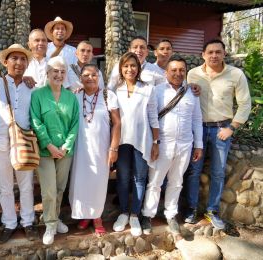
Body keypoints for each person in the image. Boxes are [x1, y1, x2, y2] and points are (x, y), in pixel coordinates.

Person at [184, 39, 251, 229]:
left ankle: (212, 211)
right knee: (193, 171)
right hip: (197, 130)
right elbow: (188, 98)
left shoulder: (235, 74)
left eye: (218, 52)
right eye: (210, 52)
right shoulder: (193, 73)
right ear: (203, 54)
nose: (214, 55)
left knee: (218, 173)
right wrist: (192, 89)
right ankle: (191, 208)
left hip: (222, 130)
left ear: (224, 54)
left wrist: (232, 127)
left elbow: (245, 103)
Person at [0, 44, 39, 243]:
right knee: (5, 186)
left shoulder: (32, 87)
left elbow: (35, 116)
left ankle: (28, 222)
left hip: (23, 143)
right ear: (5, 62)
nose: (19, 62)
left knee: (26, 186)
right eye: (14, 58)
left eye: (23, 59)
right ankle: (9, 223)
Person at [141, 58, 203, 236]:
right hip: (163, 144)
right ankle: (148, 214)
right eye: (174, 70)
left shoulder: (192, 92)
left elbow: (197, 119)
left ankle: (171, 214)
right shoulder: (157, 91)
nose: (178, 73)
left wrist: (198, 145)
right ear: (165, 72)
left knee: (176, 182)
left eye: (181, 70)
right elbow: (151, 118)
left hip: (185, 144)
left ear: (186, 72)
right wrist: (154, 143)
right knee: (155, 182)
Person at [30, 56, 79, 245]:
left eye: (62, 71)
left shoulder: (71, 97)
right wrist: (49, 145)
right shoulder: (38, 95)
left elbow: (75, 124)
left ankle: (56, 217)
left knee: (60, 189)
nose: (59, 75)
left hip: (65, 151)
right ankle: (50, 224)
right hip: (45, 151)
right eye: (55, 71)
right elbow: (36, 121)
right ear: (48, 73)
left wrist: (66, 146)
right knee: (49, 190)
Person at [69, 64, 121, 234]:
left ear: (99, 77)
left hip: (102, 148)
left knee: (98, 182)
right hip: (80, 148)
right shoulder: (75, 96)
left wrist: (113, 148)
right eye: (86, 75)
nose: (90, 78)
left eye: (94, 75)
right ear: (80, 78)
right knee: (81, 181)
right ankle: (85, 215)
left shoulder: (108, 95)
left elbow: (117, 123)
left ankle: (97, 217)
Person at [112, 52, 159, 237]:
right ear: (121, 69)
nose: (129, 69)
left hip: (143, 140)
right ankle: (123, 212)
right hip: (122, 141)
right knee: (123, 178)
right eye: (126, 66)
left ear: (138, 68)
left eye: (133, 65)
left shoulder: (148, 88)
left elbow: (153, 117)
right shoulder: (116, 89)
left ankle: (134, 215)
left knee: (140, 178)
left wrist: (156, 142)